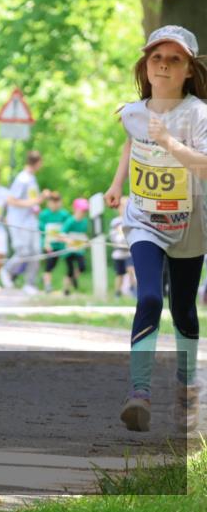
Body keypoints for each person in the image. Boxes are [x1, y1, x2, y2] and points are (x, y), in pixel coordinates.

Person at [104, 25, 207, 433]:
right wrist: (116, 184)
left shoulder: (198, 113)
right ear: (145, 66)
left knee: (183, 311)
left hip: (190, 226)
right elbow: (131, 143)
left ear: (188, 71)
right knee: (149, 296)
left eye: (174, 60)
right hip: (145, 219)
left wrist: (169, 142)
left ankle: (188, 390)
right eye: (156, 58)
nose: (163, 65)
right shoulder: (133, 111)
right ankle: (139, 393)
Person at [0, 151, 50, 294]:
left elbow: (29, 200)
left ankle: (30, 284)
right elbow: (11, 200)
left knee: (36, 252)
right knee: (24, 252)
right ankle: (7, 270)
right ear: (37, 162)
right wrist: (37, 200)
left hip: (30, 221)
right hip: (19, 222)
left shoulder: (32, 179)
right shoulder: (22, 179)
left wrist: (35, 207)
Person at [38, 192, 70, 294]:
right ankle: (48, 285)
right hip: (49, 245)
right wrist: (45, 244)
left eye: (57, 201)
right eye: (52, 201)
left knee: (57, 264)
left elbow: (67, 230)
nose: (55, 204)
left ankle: (45, 279)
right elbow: (42, 232)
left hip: (61, 244)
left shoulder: (64, 215)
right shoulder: (44, 215)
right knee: (49, 265)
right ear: (48, 203)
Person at [61, 197, 90, 296]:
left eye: (84, 211)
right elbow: (62, 234)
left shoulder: (85, 222)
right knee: (69, 270)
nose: (83, 213)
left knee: (82, 267)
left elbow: (83, 235)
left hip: (79, 249)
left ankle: (74, 277)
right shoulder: (70, 221)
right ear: (76, 209)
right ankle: (66, 290)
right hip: (69, 250)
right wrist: (68, 240)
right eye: (81, 210)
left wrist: (86, 242)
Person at [110, 196, 136, 297]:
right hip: (119, 252)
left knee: (131, 269)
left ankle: (133, 289)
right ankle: (117, 292)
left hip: (130, 251)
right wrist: (119, 241)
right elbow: (113, 236)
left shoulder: (132, 220)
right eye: (122, 206)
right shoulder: (115, 222)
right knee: (119, 274)